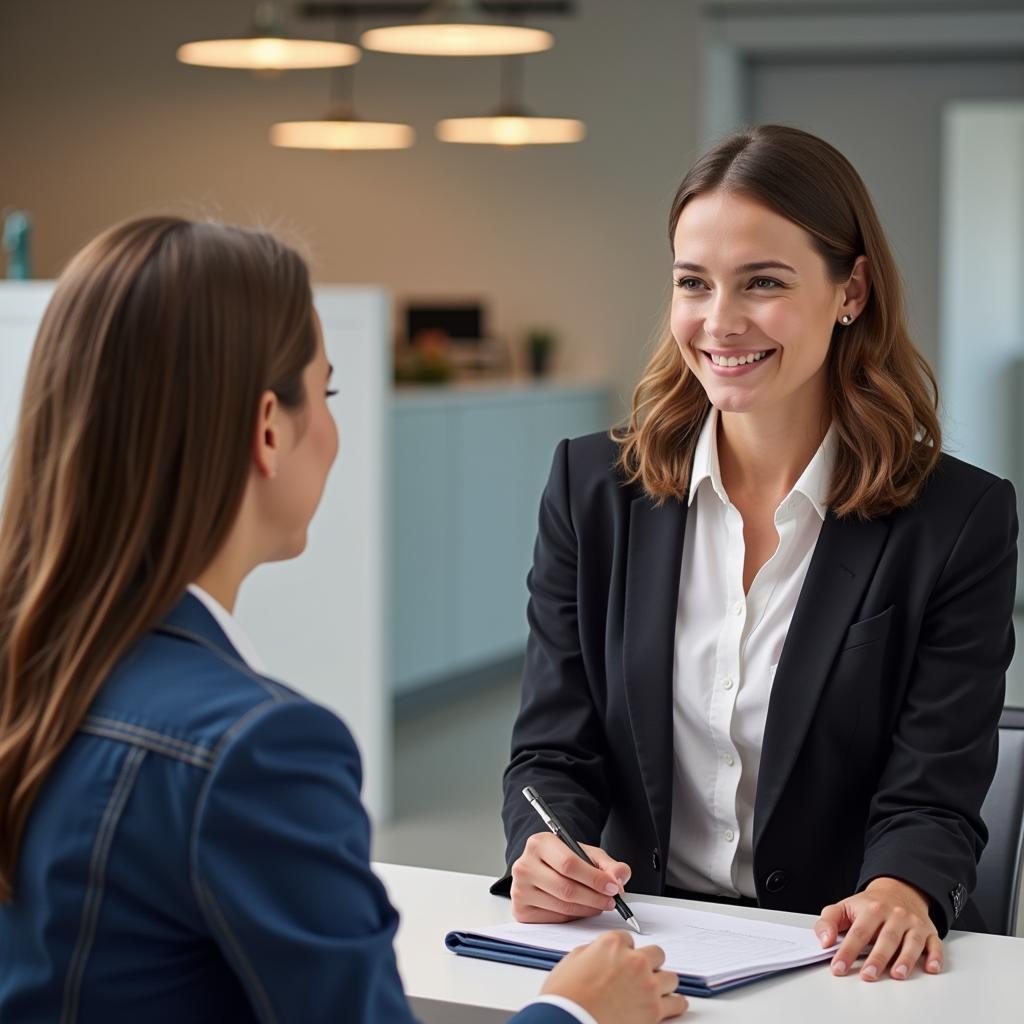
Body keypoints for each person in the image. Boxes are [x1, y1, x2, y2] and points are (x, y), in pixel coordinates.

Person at [0, 217, 687, 1024]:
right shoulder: (257, 752)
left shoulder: (34, 690)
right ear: (267, 429)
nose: (331, 430)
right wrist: (574, 1013)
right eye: (324, 393)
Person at [496, 124, 1018, 983]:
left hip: (844, 960)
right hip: (642, 947)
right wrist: (547, 848)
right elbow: (552, 751)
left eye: (764, 283)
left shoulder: (958, 518)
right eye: (693, 283)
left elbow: (935, 783)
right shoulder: (594, 488)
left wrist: (900, 888)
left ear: (850, 291)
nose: (720, 321)